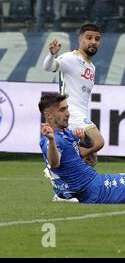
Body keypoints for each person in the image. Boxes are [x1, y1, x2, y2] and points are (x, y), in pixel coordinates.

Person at [43, 23, 104, 168]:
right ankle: (60, 163)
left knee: (90, 161)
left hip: (81, 113)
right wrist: (52, 55)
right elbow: (49, 67)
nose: (93, 42)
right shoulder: (71, 58)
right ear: (80, 39)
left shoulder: (91, 67)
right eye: (89, 38)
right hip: (71, 110)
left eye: (97, 39)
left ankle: (66, 187)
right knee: (98, 142)